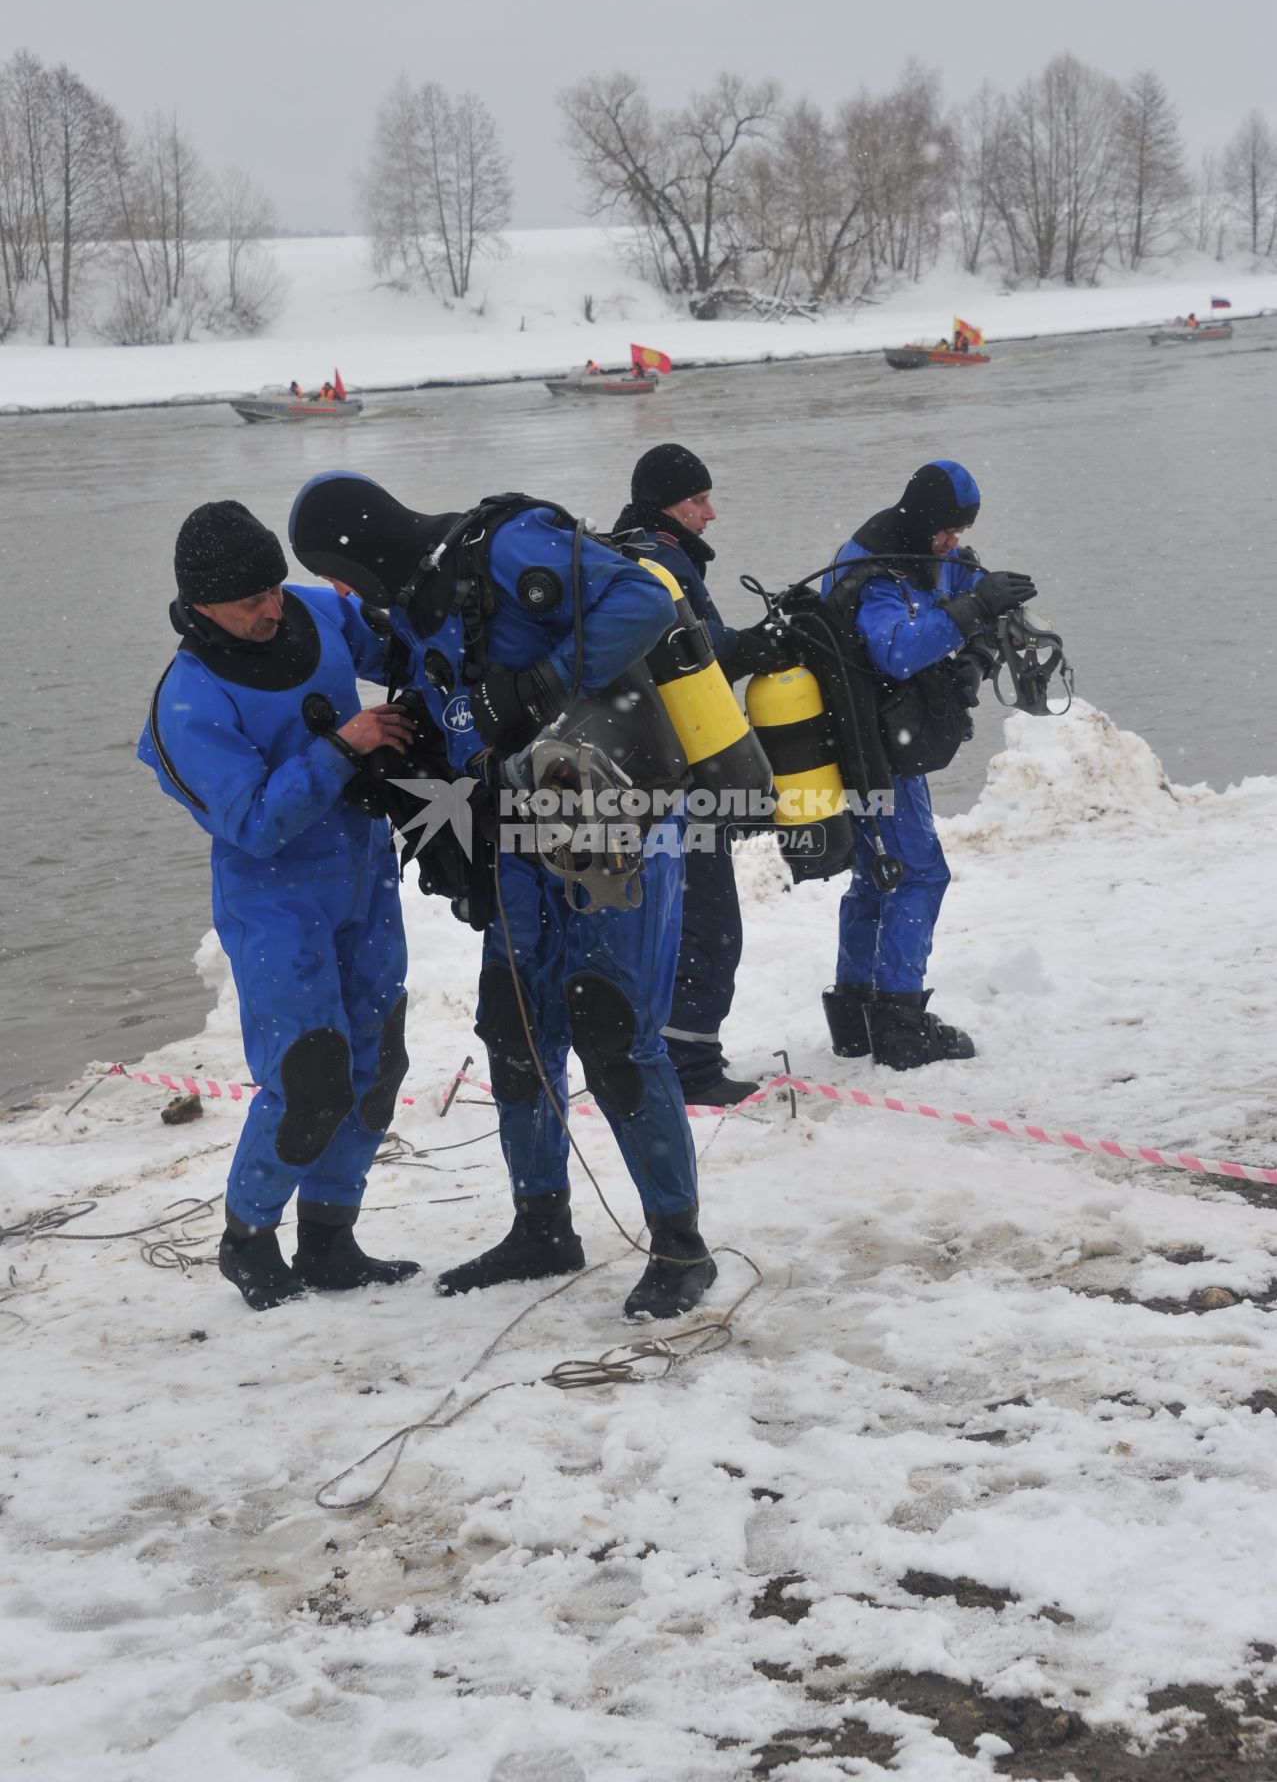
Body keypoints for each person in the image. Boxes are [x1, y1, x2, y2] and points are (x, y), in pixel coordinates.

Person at [289, 473, 720, 1320]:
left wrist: (529, 689)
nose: (345, 590)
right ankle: (542, 1226)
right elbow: (442, 695)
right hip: (520, 839)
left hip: (615, 819)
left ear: (360, 550)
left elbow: (640, 601)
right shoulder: (414, 604)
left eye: (337, 572)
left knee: (610, 1028)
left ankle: (680, 1246)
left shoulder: (506, 545)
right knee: (515, 1027)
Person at [138, 501, 422, 1311]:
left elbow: (402, 645)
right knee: (310, 1076)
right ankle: (248, 1236)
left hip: (363, 871)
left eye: (273, 589)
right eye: (248, 602)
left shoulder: (315, 610)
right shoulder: (187, 704)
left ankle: (331, 1239)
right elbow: (255, 824)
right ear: (200, 608)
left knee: (377, 1060)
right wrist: (344, 747)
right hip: (275, 899)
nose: (271, 609)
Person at [819, 461, 1036, 1070]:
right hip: (872, 751)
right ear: (922, 519)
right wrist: (971, 614)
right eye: (949, 529)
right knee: (919, 874)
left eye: (964, 529)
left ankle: (856, 1018)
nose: (955, 541)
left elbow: (957, 583)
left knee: (875, 876)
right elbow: (896, 650)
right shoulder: (874, 570)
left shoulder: (923, 548)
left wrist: (982, 627)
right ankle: (900, 1025)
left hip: (861, 741)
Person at [612, 444, 788, 1106]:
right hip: (679, 772)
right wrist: (764, 644)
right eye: (697, 502)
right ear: (666, 507)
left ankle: (656, 1051)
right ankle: (690, 1068)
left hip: (639, 771)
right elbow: (695, 653)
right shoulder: (662, 563)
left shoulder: (624, 554)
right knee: (707, 921)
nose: (709, 514)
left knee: (664, 919)